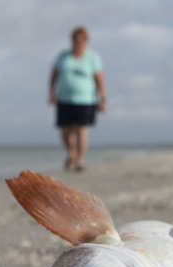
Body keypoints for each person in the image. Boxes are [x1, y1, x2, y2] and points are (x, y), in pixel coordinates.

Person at [49, 26, 106, 171]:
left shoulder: (92, 58)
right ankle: (71, 153)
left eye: (81, 41)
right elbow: (54, 74)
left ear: (86, 42)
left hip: (86, 100)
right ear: (71, 41)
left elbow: (99, 79)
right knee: (65, 131)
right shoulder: (63, 57)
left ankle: (79, 160)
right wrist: (51, 92)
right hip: (64, 99)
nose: (78, 44)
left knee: (81, 129)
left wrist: (102, 98)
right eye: (75, 41)